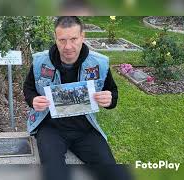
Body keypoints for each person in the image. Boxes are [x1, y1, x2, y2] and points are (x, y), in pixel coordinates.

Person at [23, 16, 130, 180]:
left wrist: (110, 100)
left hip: (84, 128)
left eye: (73, 39)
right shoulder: (40, 61)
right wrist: (33, 100)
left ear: (83, 37)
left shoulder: (98, 63)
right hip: (51, 128)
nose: (68, 46)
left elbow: (112, 92)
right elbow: (29, 87)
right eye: (62, 40)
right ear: (55, 39)